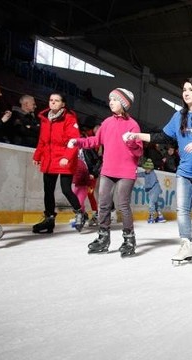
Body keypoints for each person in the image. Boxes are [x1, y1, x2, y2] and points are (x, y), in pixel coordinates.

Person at [126, 78, 192, 265]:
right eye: (184, 89)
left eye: (191, 89)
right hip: (185, 172)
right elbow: (162, 137)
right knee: (182, 210)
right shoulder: (178, 116)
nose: (186, 92)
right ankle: (185, 245)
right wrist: (138, 135)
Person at [69, 88, 143, 257]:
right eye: (110, 99)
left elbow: (138, 152)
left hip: (126, 171)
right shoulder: (107, 122)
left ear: (124, 104)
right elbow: (96, 140)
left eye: (115, 100)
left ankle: (129, 239)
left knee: (123, 204)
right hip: (108, 169)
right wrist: (78, 142)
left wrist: (131, 142)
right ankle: (103, 237)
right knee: (103, 204)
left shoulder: (133, 125)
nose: (111, 102)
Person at [31, 92, 83, 234]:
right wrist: (37, 155)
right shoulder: (45, 118)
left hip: (65, 159)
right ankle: (49, 220)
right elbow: (42, 140)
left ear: (63, 104)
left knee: (66, 189)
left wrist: (66, 157)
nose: (53, 102)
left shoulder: (69, 118)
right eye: (51, 100)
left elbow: (74, 141)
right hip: (49, 158)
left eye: (57, 100)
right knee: (48, 190)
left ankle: (80, 213)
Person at [137, 159, 166, 223]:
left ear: (151, 169)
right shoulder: (146, 173)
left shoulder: (153, 174)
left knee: (151, 203)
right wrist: (135, 174)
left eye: (148, 169)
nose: (146, 170)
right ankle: (160, 216)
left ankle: (151, 217)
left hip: (155, 190)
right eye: (145, 168)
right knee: (155, 203)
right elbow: (141, 174)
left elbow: (150, 185)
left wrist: (143, 186)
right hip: (151, 191)